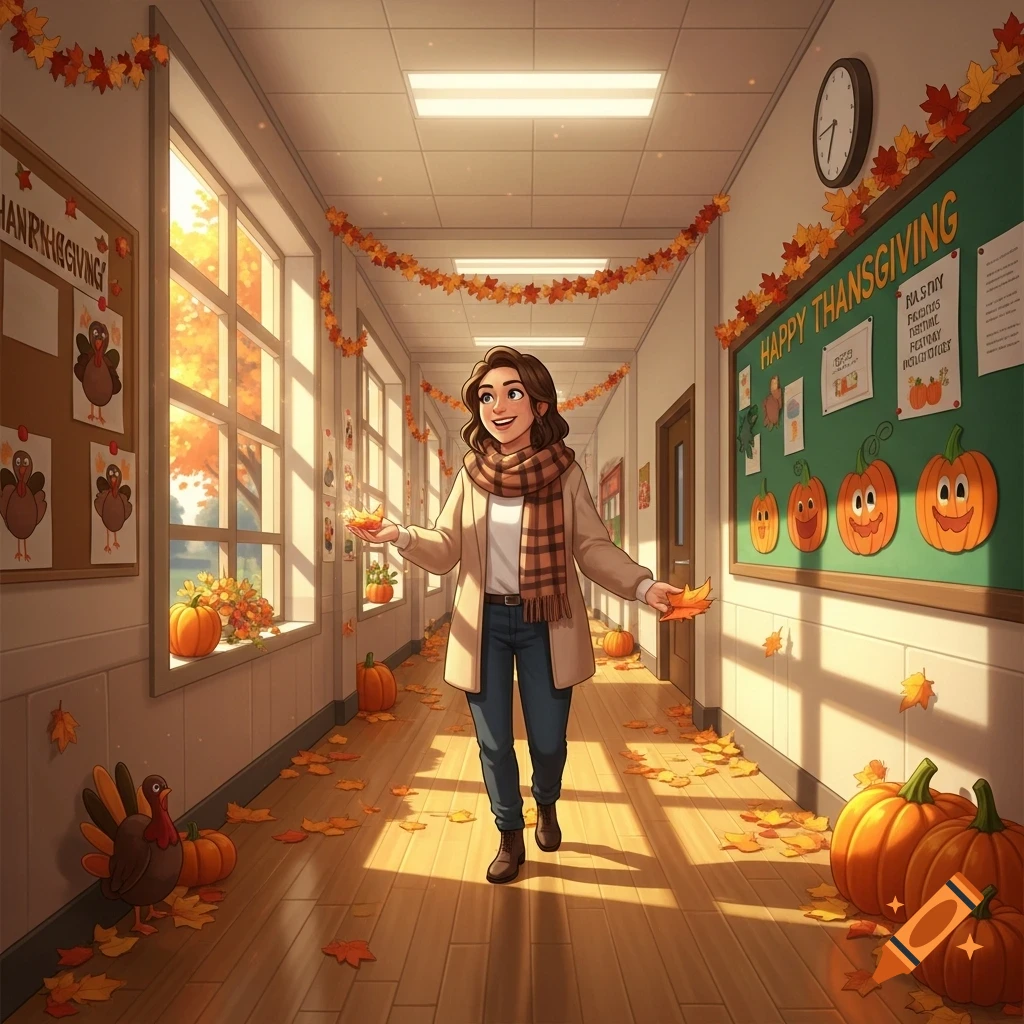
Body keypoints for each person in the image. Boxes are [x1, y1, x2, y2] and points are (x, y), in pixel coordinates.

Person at [346, 346, 680, 884]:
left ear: (540, 405)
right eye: (486, 396)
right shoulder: (471, 476)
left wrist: (642, 585)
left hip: (547, 623)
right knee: (494, 740)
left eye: (512, 392)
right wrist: (400, 536)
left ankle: (545, 800)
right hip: (485, 627)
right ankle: (509, 834)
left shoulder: (565, 476)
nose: (497, 406)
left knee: (548, 740)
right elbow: (446, 546)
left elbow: (592, 548)